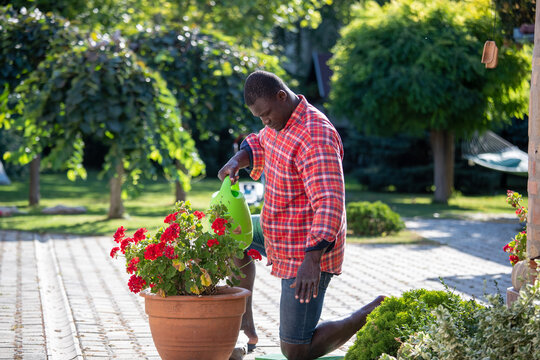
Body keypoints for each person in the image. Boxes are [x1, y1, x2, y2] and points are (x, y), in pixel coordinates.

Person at [218, 70, 385, 360]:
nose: (264, 121)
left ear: (282, 96)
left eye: (267, 114)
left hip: (306, 249)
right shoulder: (279, 122)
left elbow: (330, 202)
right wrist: (237, 159)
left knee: (296, 350)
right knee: (228, 236)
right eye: (259, 116)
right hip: (275, 230)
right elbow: (260, 142)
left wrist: (312, 261)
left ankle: (373, 309)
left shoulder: (315, 135)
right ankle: (244, 318)